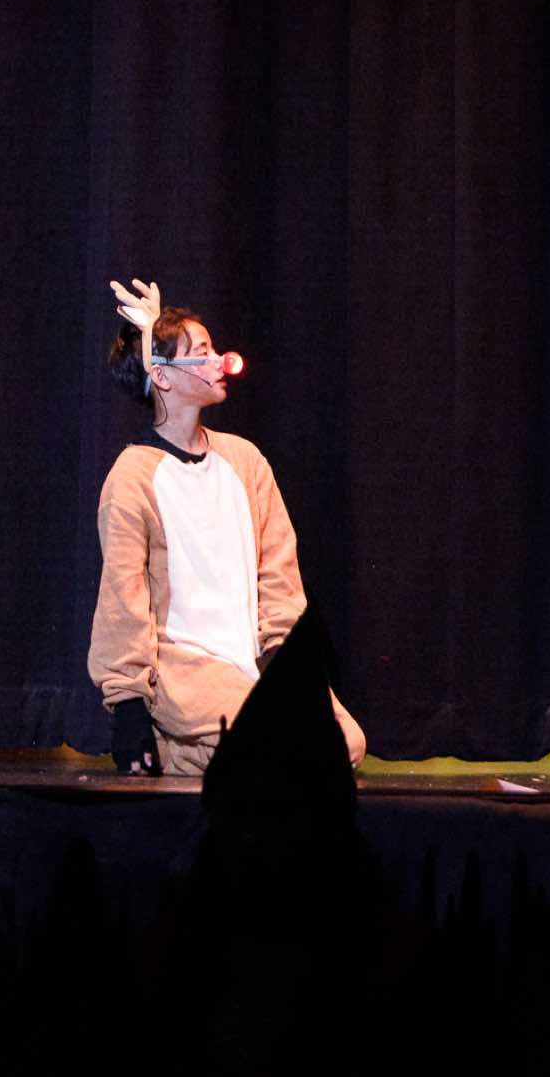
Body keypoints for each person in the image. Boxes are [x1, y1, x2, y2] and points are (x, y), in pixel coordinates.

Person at [88, 278, 367, 775]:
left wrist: (283, 655)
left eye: (214, 348)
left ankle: (198, 752)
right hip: (187, 671)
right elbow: (122, 596)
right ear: (163, 375)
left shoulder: (245, 461)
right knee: (285, 753)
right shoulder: (132, 477)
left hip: (251, 666)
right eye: (202, 352)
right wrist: (127, 700)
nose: (219, 361)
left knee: (345, 744)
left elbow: (278, 571)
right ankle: (177, 742)